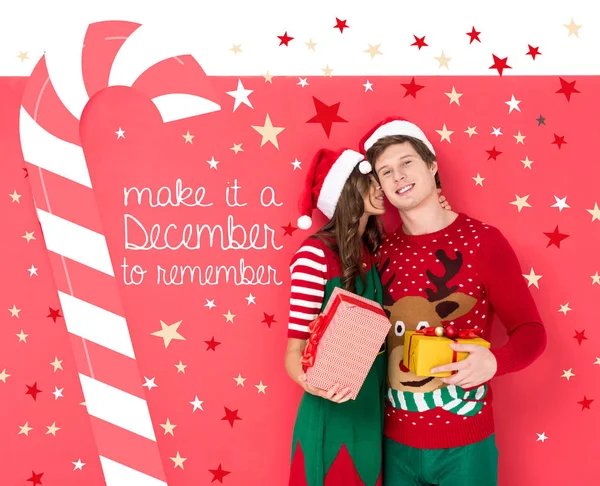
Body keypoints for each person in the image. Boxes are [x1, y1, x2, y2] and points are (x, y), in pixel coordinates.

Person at [360, 116, 547, 486]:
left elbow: (532, 332)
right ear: (379, 185)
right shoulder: (379, 252)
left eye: (406, 162)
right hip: (392, 444)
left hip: (466, 447)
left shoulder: (483, 242)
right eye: (386, 171)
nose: (398, 176)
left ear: (431, 165)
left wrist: (496, 361)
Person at [285, 147, 450, 486]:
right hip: (333, 411)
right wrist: (311, 383)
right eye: (369, 181)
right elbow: (293, 351)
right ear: (345, 191)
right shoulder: (313, 254)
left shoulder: (375, 251)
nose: (380, 188)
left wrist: (441, 214)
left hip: (372, 407)